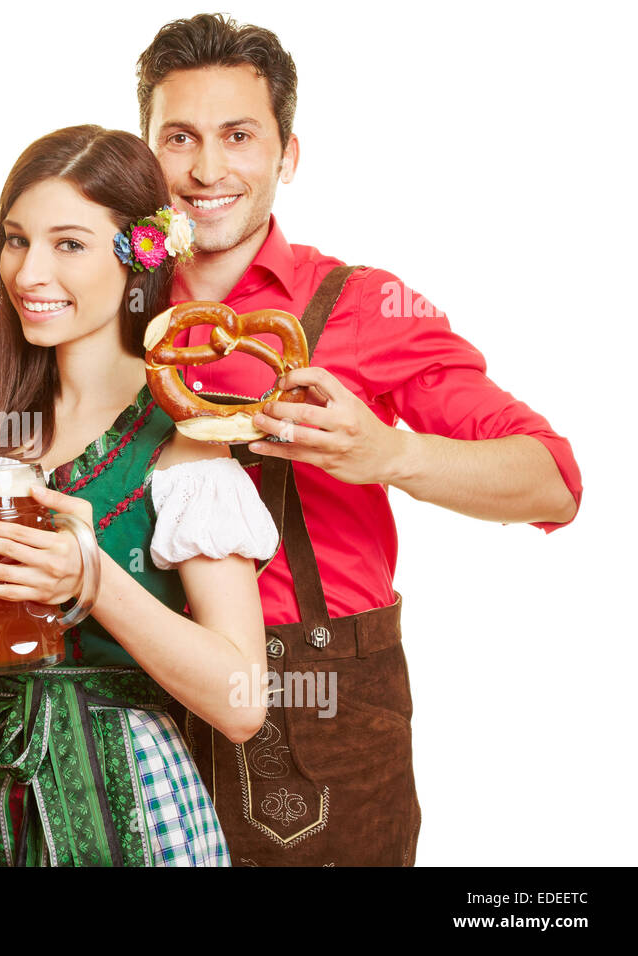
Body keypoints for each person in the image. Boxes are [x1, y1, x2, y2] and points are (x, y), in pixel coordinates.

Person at [133, 13, 583, 865]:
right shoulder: (97, 295)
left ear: (287, 155)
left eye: (239, 136)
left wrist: (390, 455)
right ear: (145, 150)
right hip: (131, 697)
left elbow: (552, 479)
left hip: (321, 709)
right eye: (179, 137)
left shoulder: (363, 304)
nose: (206, 168)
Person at [0, 125, 277, 867]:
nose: (29, 273)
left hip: (128, 806)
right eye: (16, 240)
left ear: (137, 258)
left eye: (69, 244)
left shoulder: (182, 441)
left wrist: (95, 579)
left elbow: (242, 702)